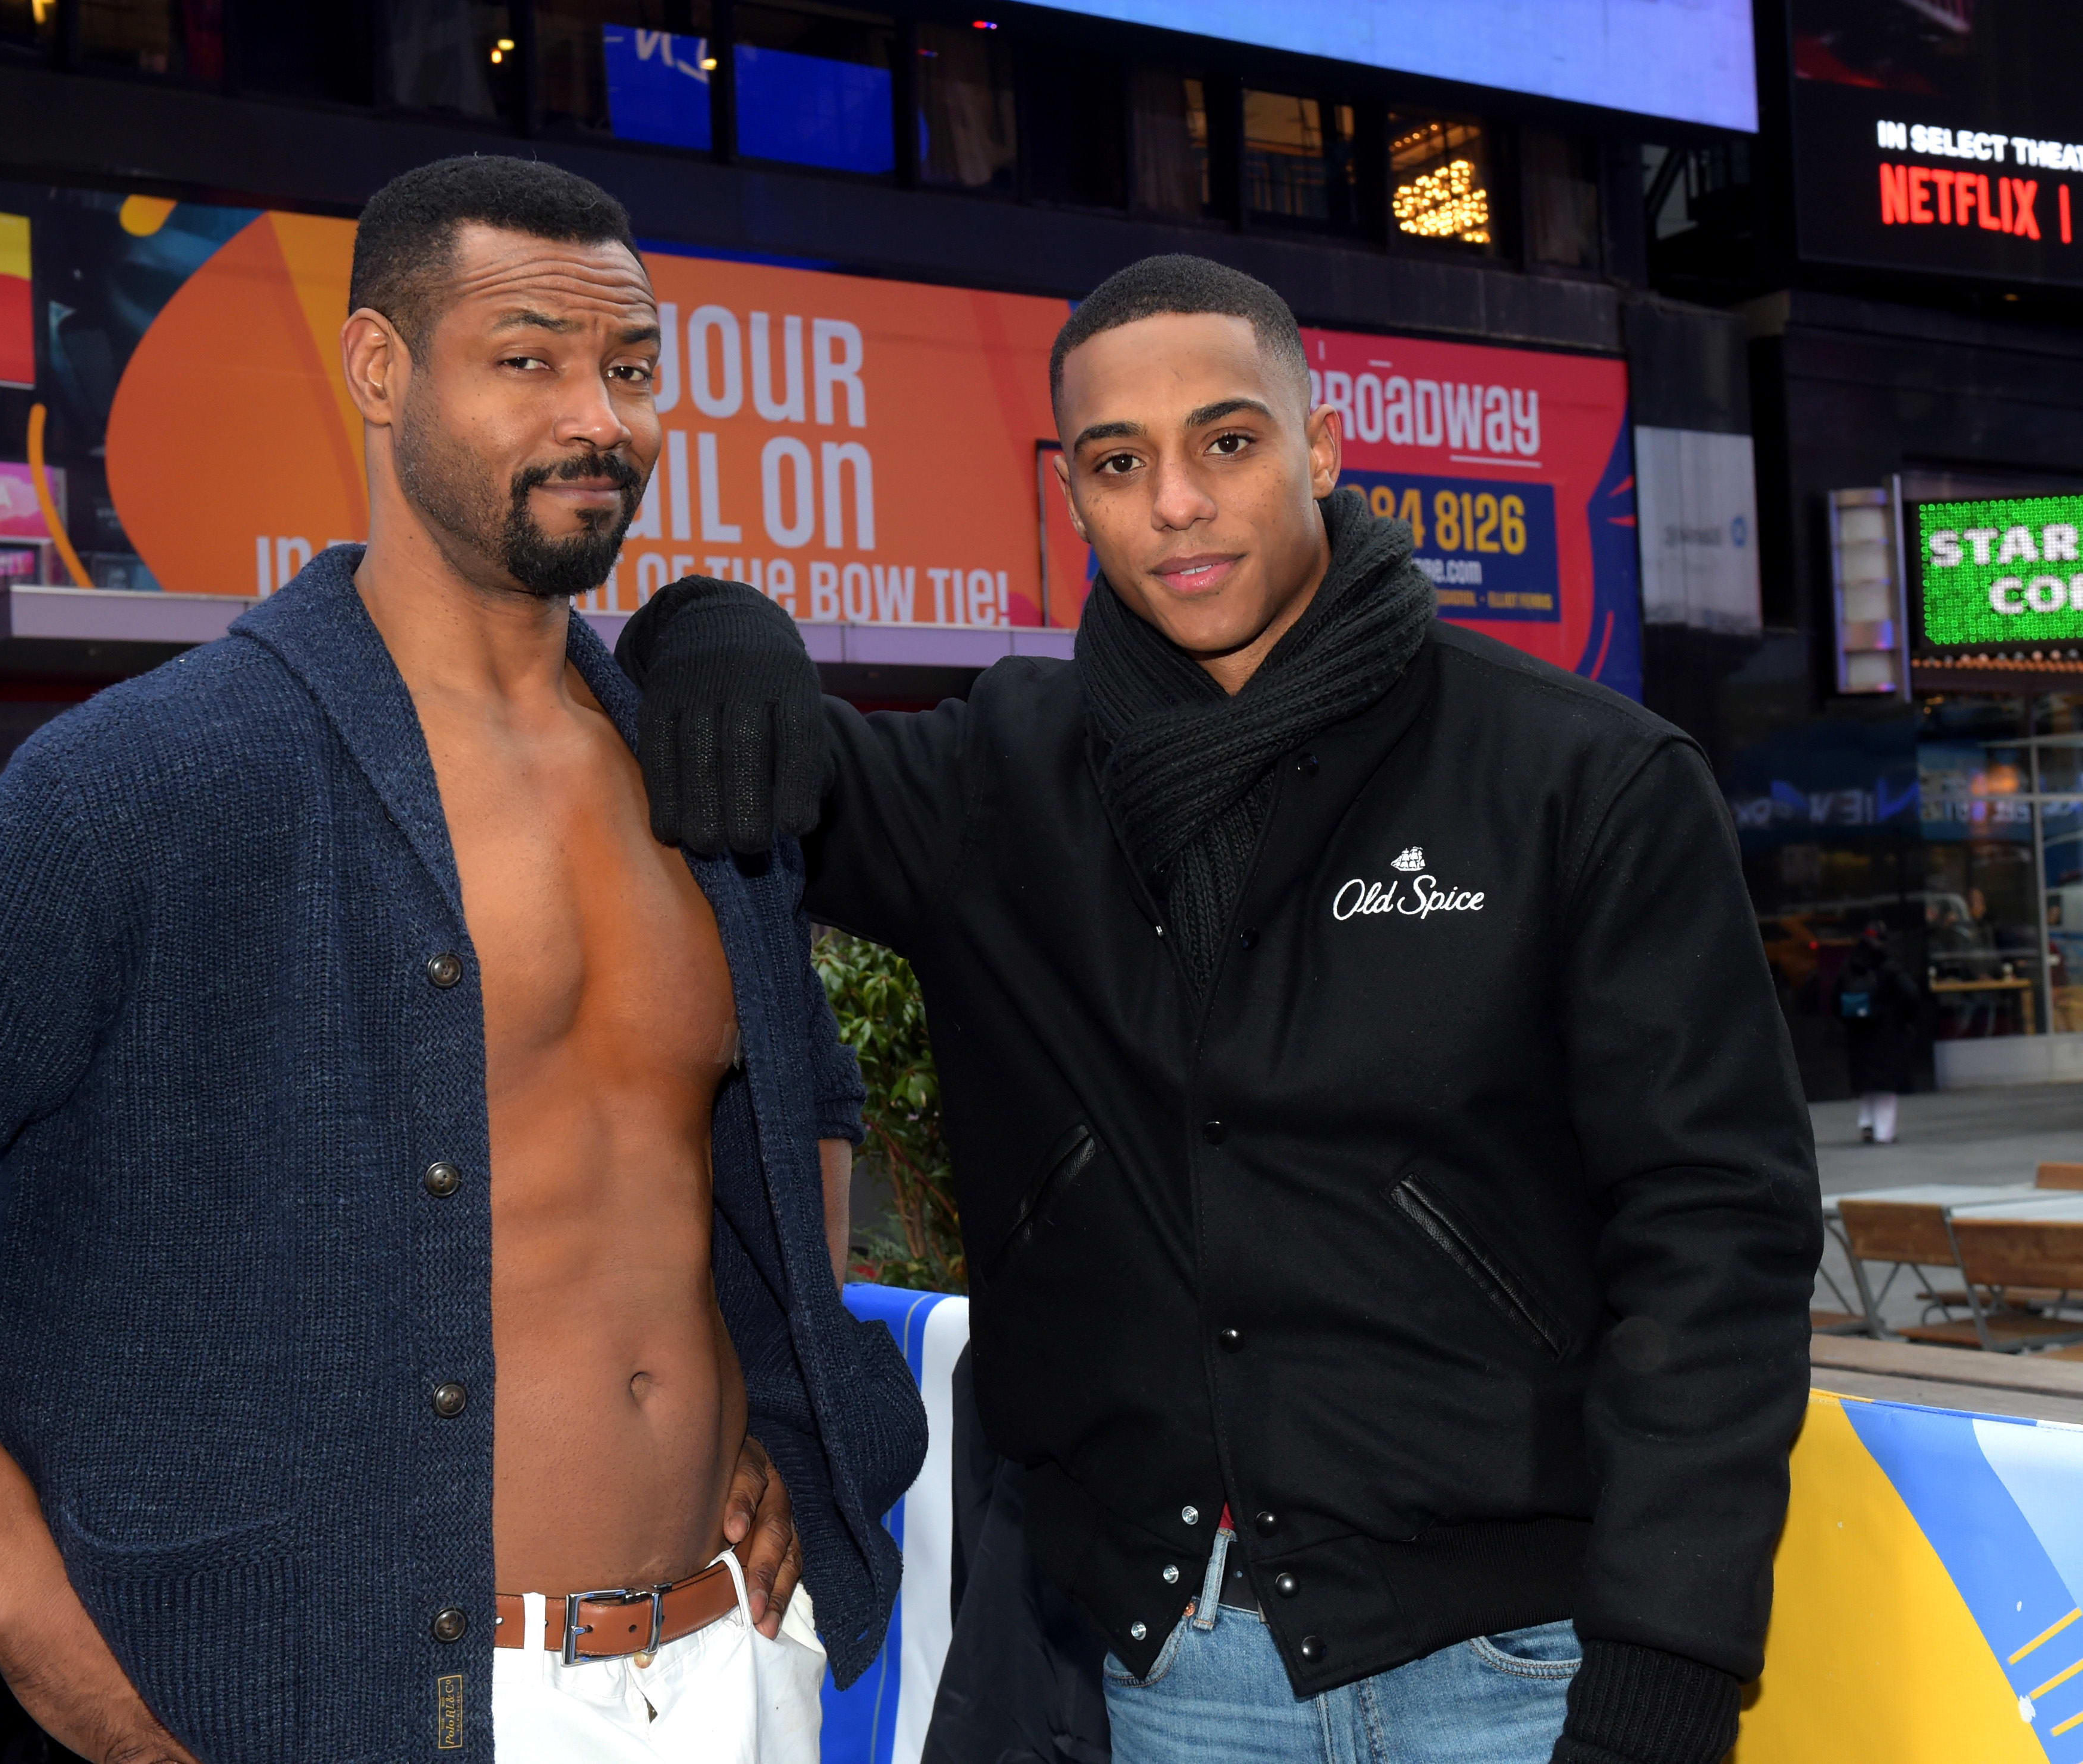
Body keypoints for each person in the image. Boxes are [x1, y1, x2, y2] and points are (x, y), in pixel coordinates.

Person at [0, 155, 924, 1764]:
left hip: (733, 1663)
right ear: (380, 370)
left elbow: (788, 1099)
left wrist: (762, 1389)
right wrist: (62, 1658)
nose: (597, 417)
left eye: (627, 366)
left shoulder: (690, 772)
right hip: (380, 1705)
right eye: (525, 358)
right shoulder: (173, 769)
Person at [619, 255, 1821, 1764]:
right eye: (1119, 464)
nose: (1173, 500)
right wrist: (703, 623)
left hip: (1505, 1670)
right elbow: (746, 760)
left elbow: (1715, 1242)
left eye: (1225, 441)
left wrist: (1666, 1666)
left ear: (1319, 447)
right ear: (1071, 498)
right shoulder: (997, 782)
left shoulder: (1581, 780)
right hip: (1153, 1671)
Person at [1837, 919, 1919, 1145]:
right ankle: (1884, 1133)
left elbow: (1836, 999)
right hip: (1887, 1033)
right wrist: (1904, 1018)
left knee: (1867, 1085)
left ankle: (1867, 1124)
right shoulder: (1889, 966)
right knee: (1886, 1088)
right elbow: (1911, 994)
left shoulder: (1850, 965)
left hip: (1859, 1034)